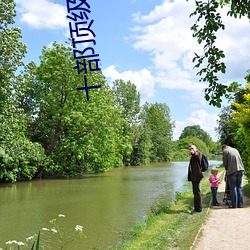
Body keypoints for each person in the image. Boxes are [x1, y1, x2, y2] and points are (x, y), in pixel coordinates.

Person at [188, 143, 204, 214]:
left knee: (196, 192)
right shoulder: (194, 155)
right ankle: (197, 208)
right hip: (195, 176)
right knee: (196, 192)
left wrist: (194, 152)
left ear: (195, 148)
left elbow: (198, 158)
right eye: (190, 149)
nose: (191, 150)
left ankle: (198, 209)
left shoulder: (198, 154)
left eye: (192, 148)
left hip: (196, 176)